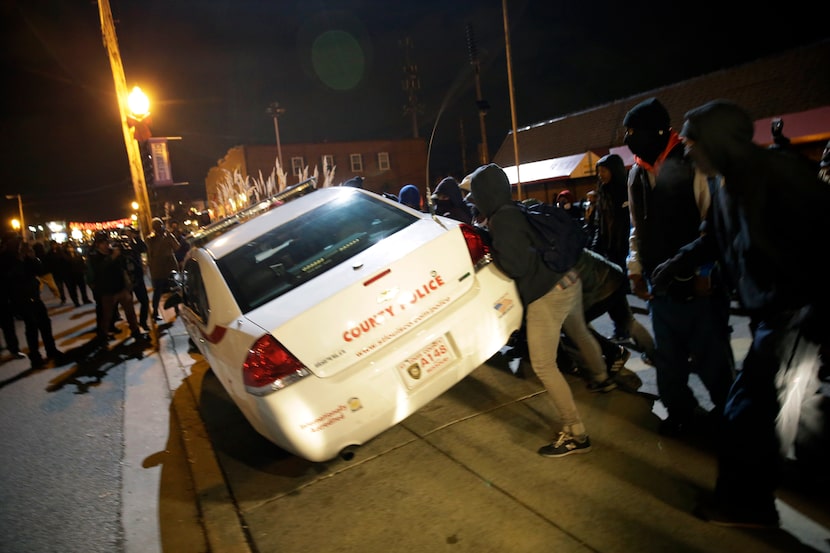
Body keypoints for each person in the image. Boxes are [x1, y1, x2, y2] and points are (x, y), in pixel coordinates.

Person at [650, 99, 830, 529]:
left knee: (749, 410)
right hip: (772, 313)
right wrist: (680, 261)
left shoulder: (778, 173)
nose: (688, 151)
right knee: (799, 411)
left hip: (796, 312)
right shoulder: (724, 184)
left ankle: (747, 506)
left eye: (694, 143)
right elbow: (716, 236)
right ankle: (815, 479)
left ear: (718, 141)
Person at [469, 163, 616, 458]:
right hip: (568, 280)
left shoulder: (502, 219)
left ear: (485, 194)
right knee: (579, 331)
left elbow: (516, 266)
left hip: (547, 295)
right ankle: (602, 378)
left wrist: (492, 254)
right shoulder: (516, 208)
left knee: (544, 365)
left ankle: (576, 433)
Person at [623, 97, 734, 437]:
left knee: (713, 360)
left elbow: (716, 226)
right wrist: (636, 267)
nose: (629, 138)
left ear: (658, 131)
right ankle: (680, 413)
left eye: (634, 132)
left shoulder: (694, 164)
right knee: (668, 361)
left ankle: (731, 420)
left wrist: (706, 274)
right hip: (661, 288)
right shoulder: (637, 174)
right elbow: (636, 228)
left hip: (701, 288)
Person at [7, 238, 64, 367]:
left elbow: (40, 270)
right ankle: (35, 358)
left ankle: (51, 350)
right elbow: (13, 279)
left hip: (35, 298)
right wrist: (21, 260)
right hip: (23, 300)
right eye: (22, 247)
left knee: (45, 325)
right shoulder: (10, 262)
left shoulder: (28, 260)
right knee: (32, 329)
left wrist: (32, 258)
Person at [86, 234, 147, 345]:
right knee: (107, 316)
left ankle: (136, 332)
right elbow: (100, 269)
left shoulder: (113, 252)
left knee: (130, 313)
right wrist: (113, 257)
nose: (106, 245)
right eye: (103, 243)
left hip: (121, 289)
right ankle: (103, 336)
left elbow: (128, 260)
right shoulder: (95, 256)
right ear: (98, 245)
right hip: (107, 292)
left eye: (106, 242)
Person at [146, 218, 180, 321]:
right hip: (160, 268)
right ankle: (156, 312)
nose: (159, 228)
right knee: (161, 291)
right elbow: (149, 255)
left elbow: (177, 246)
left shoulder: (167, 236)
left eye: (160, 225)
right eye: (157, 226)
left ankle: (176, 308)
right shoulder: (151, 239)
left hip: (168, 267)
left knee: (173, 289)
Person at [0, 232, 25, 359]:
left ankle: (14, 349)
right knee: (7, 324)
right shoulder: (6, 256)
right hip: (5, 296)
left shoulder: (14, 255)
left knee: (8, 325)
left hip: (8, 297)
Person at [121, 227, 150, 331]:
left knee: (145, 301)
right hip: (126, 281)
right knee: (129, 306)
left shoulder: (135, 244)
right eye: (126, 234)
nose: (128, 236)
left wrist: (136, 238)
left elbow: (144, 248)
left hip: (137, 278)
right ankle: (133, 327)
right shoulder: (119, 248)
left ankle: (143, 322)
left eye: (130, 233)